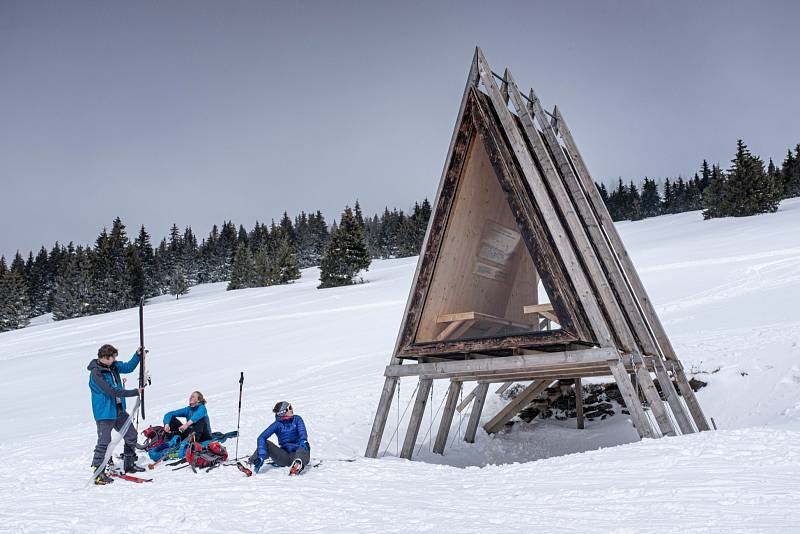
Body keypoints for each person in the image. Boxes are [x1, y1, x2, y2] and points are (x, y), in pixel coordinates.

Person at [88, 344, 146, 485]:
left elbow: (128, 367)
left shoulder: (112, 366)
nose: (115, 360)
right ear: (105, 358)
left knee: (131, 435)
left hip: (118, 410)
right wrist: (134, 392)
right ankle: (98, 472)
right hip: (105, 413)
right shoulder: (96, 373)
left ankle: (129, 463)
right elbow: (111, 391)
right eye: (113, 357)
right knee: (104, 442)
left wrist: (137, 355)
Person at [249, 401, 310, 475]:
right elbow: (262, 437)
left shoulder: (297, 419)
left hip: (299, 453)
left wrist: (303, 440)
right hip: (284, 456)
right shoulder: (277, 425)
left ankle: (297, 464)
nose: (292, 409)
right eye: (289, 408)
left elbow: (302, 432)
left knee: (304, 445)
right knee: (266, 443)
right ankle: (252, 463)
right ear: (283, 412)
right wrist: (261, 455)